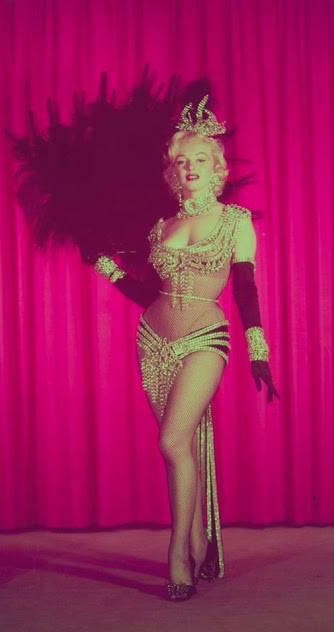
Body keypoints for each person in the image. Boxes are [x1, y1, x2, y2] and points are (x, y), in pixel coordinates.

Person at [92, 96, 279, 601]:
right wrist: (105, 267)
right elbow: (148, 294)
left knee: (171, 441)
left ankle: (177, 555)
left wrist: (257, 350)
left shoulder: (235, 220)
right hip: (152, 340)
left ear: (217, 168)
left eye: (200, 159)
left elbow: (245, 288)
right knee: (183, 448)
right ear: (171, 173)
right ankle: (198, 540)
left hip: (204, 337)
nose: (190, 167)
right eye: (180, 161)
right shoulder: (161, 227)